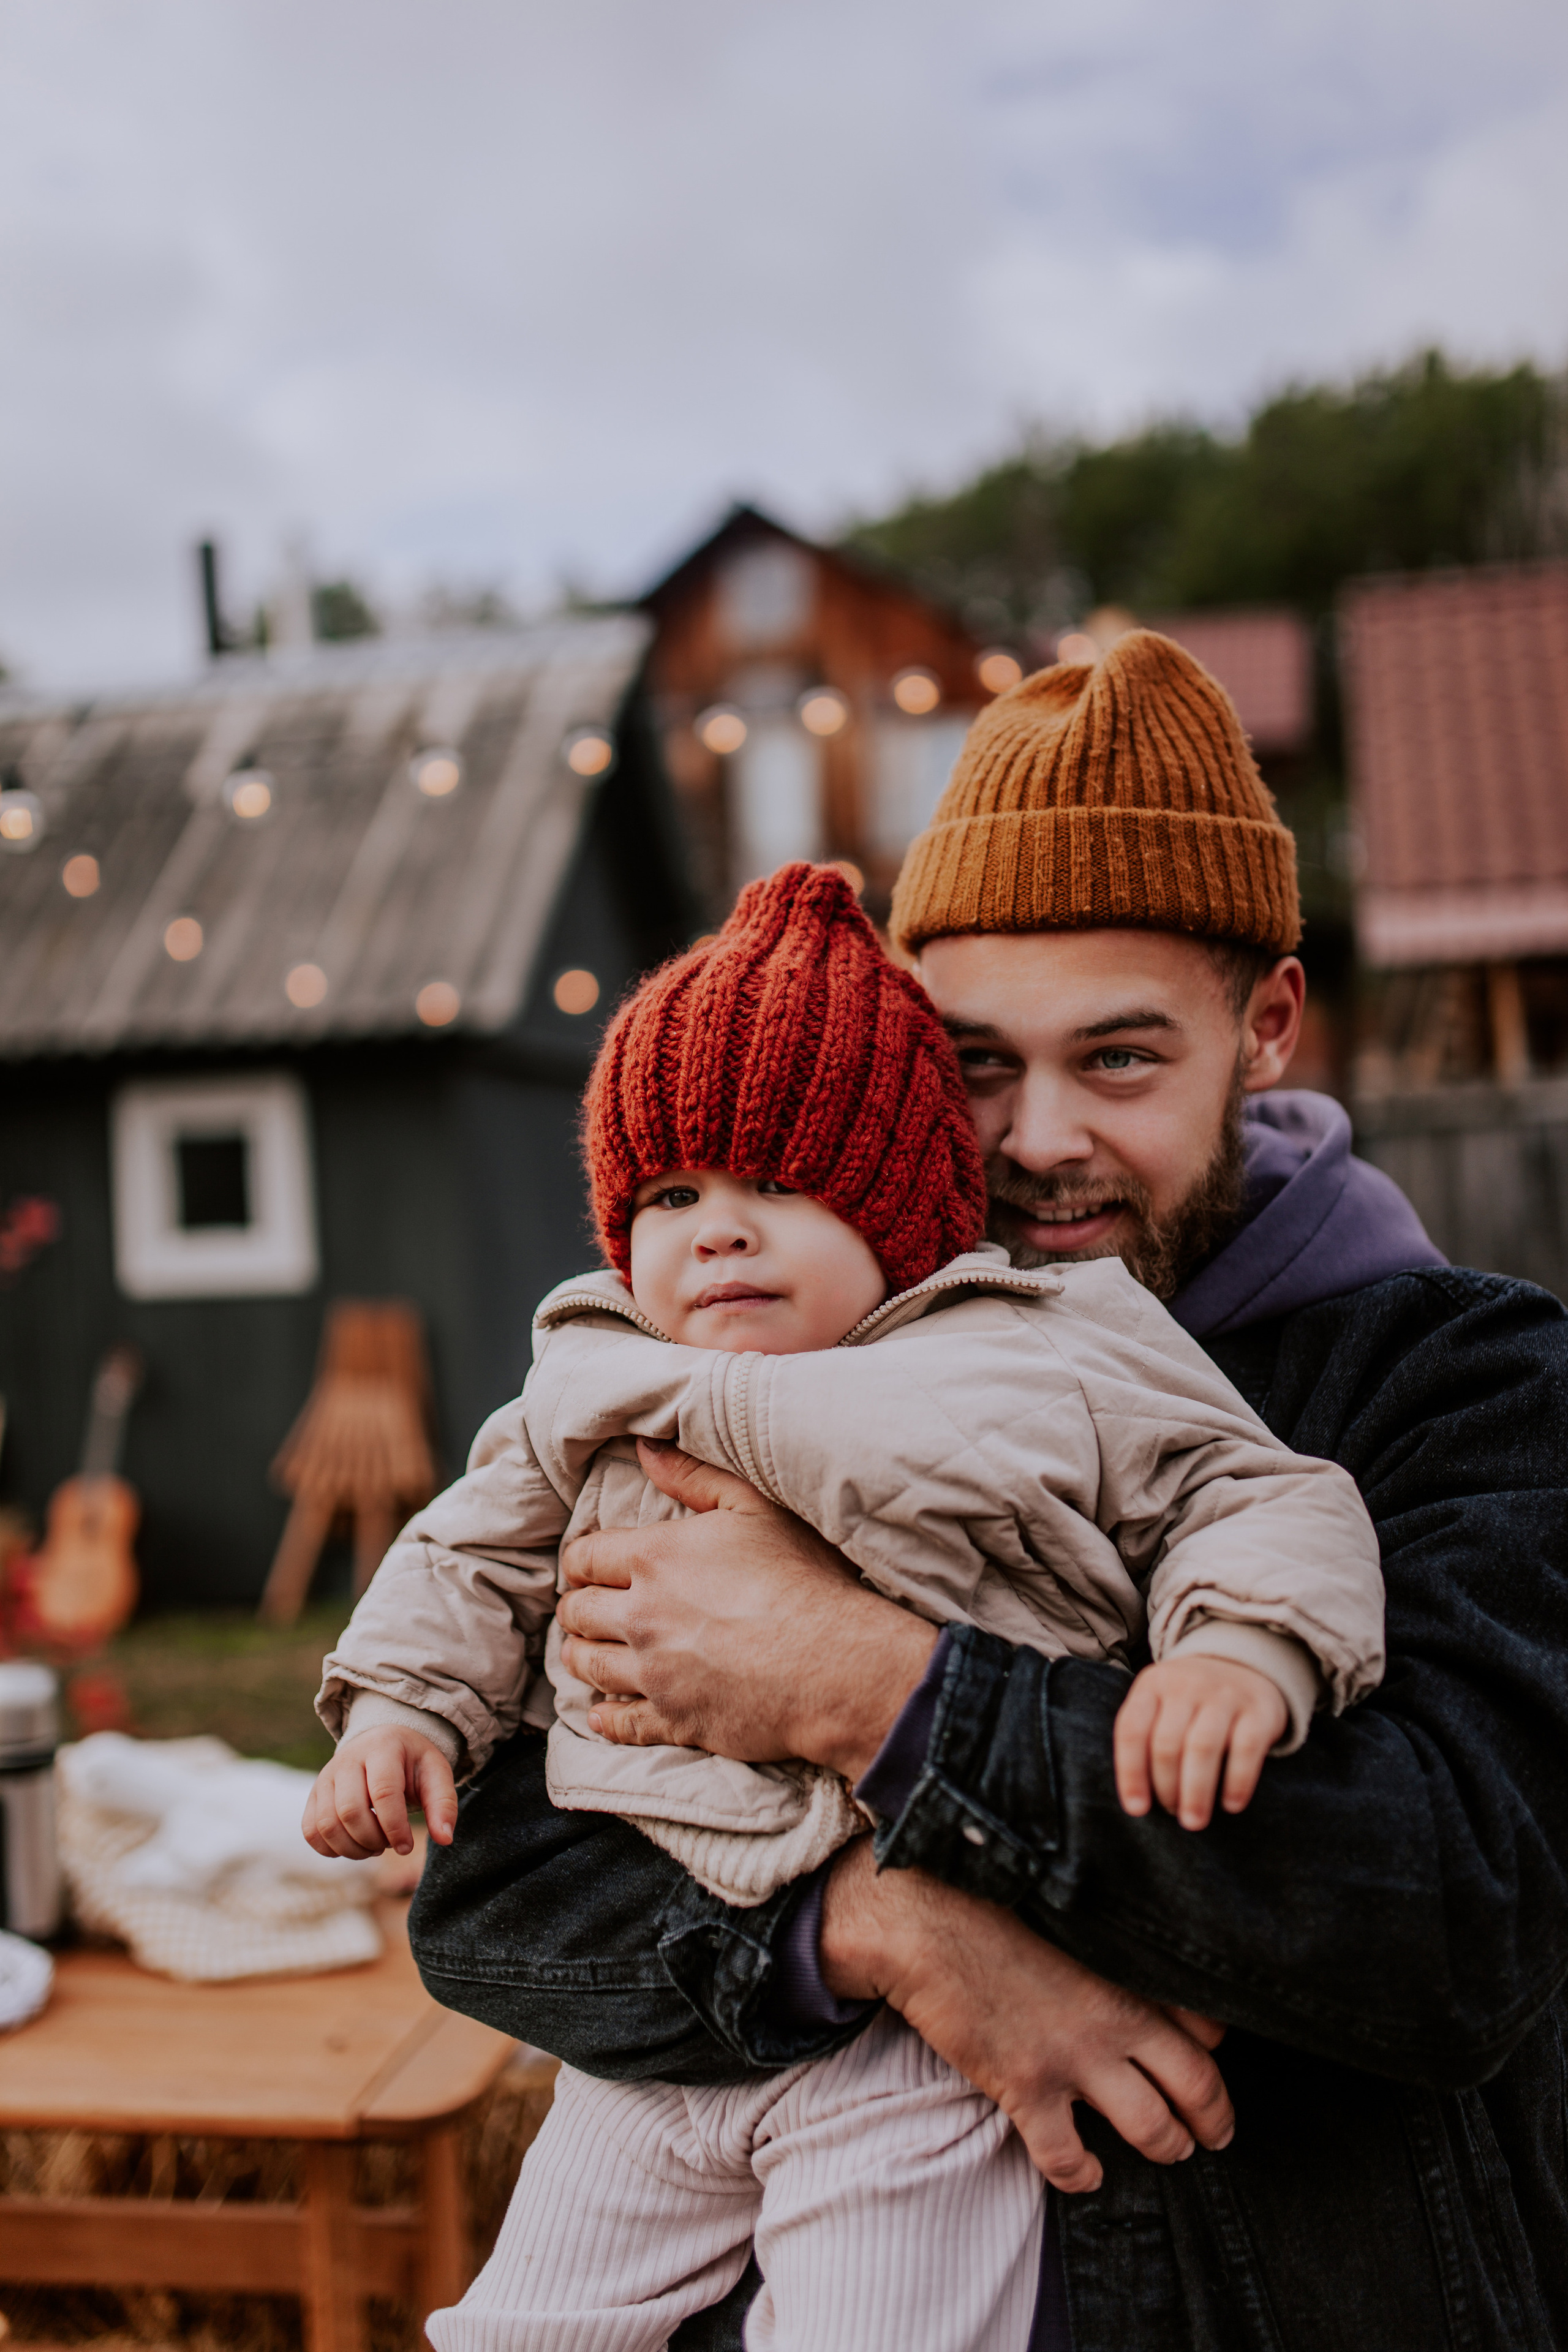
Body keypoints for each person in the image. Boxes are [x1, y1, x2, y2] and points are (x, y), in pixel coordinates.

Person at [407, 631, 1568, 2351]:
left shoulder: (1461, 1388)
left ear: (1263, 1026)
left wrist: (874, 1687)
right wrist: (873, 1931)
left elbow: (1455, 1917)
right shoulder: (780, 1375)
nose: (1034, 1142)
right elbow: (493, 1897)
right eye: (972, 1063)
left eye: (1118, 1060)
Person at [306, 861, 1382, 2352]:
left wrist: (1243, 1650)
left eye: (779, 1184)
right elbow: (464, 1551)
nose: (718, 1233)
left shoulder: (1034, 1347)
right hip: (665, 2009)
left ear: (896, 1209)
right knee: (522, 2326)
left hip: (918, 2064)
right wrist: (398, 1705)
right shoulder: (594, 1367)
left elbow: (1251, 1492)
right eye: (671, 1195)